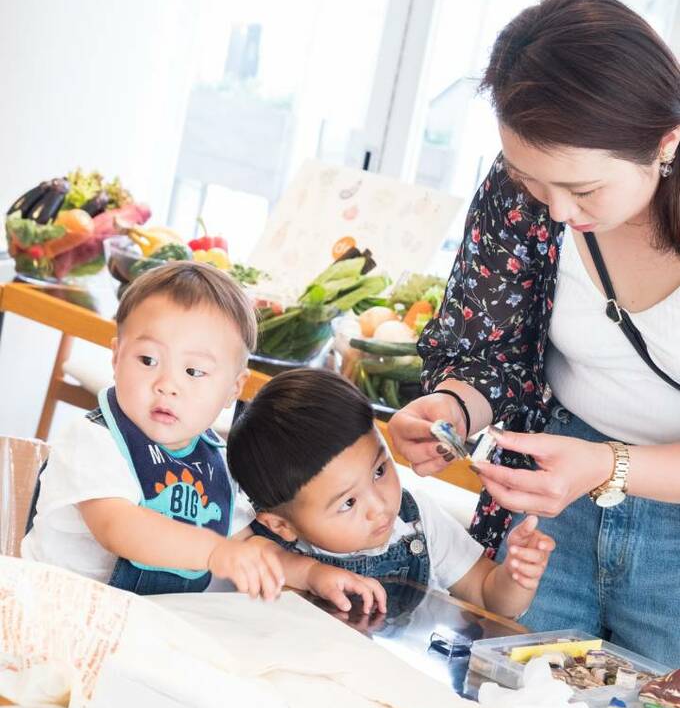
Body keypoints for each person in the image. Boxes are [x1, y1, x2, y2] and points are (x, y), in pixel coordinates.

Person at [388, 0, 680, 666]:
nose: (552, 207)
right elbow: (491, 350)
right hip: (551, 501)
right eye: (531, 177)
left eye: (582, 190)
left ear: (665, 143)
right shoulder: (522, 191)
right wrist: (454, 406)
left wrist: (609, 466)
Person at [23, 261, 284, 598]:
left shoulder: (217, 464)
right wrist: (214, 552)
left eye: (193, 371)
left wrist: (309, 574)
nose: (166, 385)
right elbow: (119, 528)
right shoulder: (93, 440)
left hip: (147, 625)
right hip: (56, 613)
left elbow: (246, 547)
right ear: (116, 358)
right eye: (148, 360)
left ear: (234, 389)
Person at [227, 369, 554, 620]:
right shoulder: (262, 542)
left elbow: (486, 596)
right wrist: (312, 573)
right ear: (281, 526)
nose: (379, 506)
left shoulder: (415, 522)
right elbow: (253, 555)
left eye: (379, 471)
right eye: (348, 503)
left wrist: (516, 577)